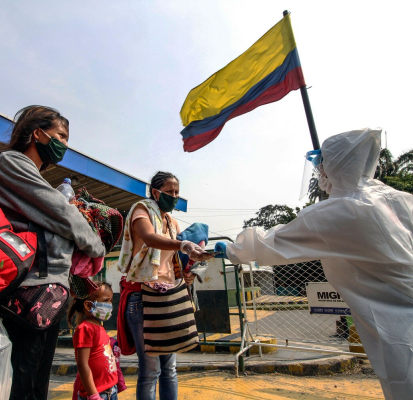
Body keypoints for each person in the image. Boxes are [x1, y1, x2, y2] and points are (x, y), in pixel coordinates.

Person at [215, 128, 413, 400]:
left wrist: (228, 249)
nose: (320, 172)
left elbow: (272, 243)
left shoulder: (342, 211)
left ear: (334, 164)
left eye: (321, 164)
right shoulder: (391, 197)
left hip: (400, 325)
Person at [0, 105, 106, 400]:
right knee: (24, 386)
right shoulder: (10, 162)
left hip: (45, 292)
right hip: (27, 292)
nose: (64, 144)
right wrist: (96, 245)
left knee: (36, 384)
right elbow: (62, 213)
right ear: (37, 133)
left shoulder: (30, 176)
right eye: (60, 136)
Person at [116, 171, 213, 400]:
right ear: (155, 192)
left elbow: (178, 257)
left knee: (169, 370)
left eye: (177, 192)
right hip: (142, 296)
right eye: (169, 192)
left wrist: (188, 271)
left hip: (168, 295)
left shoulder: (171, 222)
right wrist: (184, 245)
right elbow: (150, 238)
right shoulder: (141, 210)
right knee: (151, 371)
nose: (174, 196)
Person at [68, 280, 118, 400]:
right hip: (98, 394)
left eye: (110, 300)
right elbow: (82, 364)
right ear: (88, 305)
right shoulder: (85, 329)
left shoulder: (98, 326)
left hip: (110, 390)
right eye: (105, 301)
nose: (110, 304)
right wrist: (93, 395)